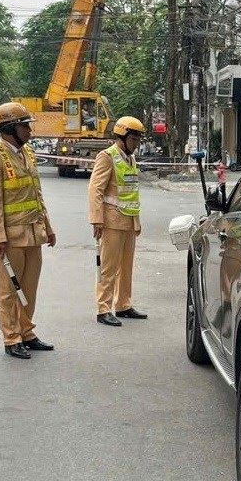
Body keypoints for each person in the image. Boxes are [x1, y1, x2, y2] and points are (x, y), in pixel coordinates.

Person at [0, 102, 56, 359]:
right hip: (9, 239)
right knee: (9, 291)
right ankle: (11, 338)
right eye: (25, 126)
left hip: (33, 234)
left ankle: (26, 331)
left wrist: (48, 227)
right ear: (10, 128)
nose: (30, 130)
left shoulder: (28, 153)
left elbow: (37, 195)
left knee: (29, 289)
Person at [88, 116, 147, 326]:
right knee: (109, 268)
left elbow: (131, 193)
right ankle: (103, 308)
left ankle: (123, 305)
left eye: (139, 139)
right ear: (121, 137)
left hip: (129, 221)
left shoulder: (130, 159)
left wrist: (137, 222)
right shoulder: (107, 156)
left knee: (126, 267)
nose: (137, 143)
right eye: (134, 139)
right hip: (111, 222)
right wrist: (96, 219)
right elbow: (96, 189)